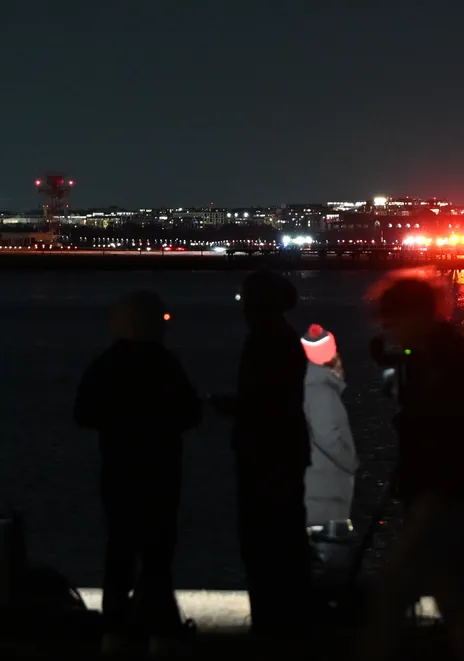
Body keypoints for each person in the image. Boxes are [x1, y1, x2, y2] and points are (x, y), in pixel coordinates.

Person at [355, 275, 464, 661]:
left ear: (414, 314)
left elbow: (443, 429)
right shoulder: (446, 356)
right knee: (458, 598)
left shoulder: (444, 361)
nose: (386, 326)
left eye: (391, 317)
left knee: (392, 593)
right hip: (448, 491)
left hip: (439, 493)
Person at [74, 291, 201, 656]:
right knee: (158, 556)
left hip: (118, 471)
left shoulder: (107, 364)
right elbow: (190, 413)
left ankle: (115, 630)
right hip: (161, 472)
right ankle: (161, 629)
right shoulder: (165, 365)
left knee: (119, 551)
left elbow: (83, 413)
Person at [210, 269, 312, 638]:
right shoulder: (282, 337)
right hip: (283, 447)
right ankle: (288, 617)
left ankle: (273, 622)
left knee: (264, 539)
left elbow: (264, 401)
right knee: (284, 536)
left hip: (265, 450)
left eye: (244, 299)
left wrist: (231, 407)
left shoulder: (265, 341)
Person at [300, 324, 359, 576]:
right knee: (332, 578)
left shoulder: (308, 386)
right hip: (325, 505)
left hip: (316, 501)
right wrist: (353, 463)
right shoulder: (322, 391)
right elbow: (328, 437)